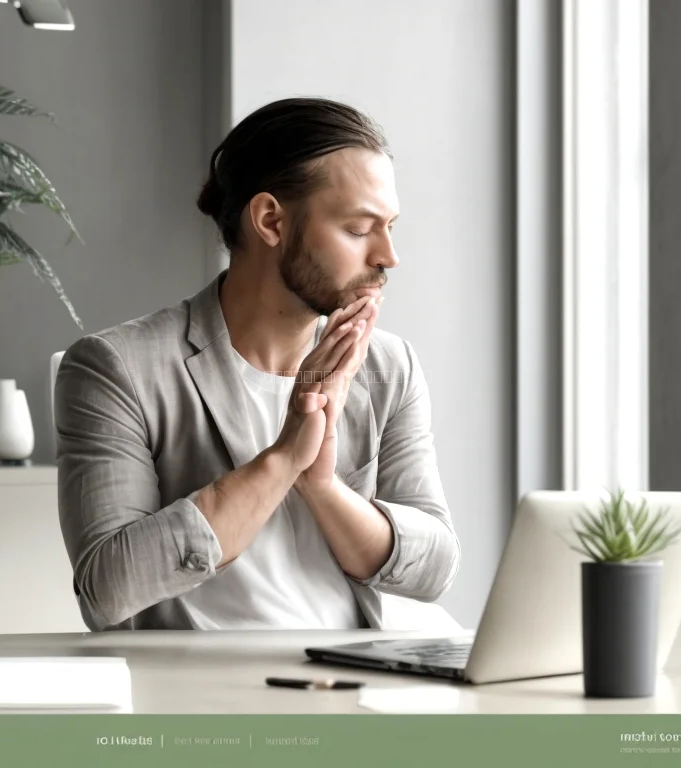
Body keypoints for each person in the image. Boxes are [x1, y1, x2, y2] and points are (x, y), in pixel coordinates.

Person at [55, 97, 460, 631]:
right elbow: (108, 590)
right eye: (360, 230)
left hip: (352, 683)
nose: (388, 255)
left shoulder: (389, 366)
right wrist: (285, 457)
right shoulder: (116, 368)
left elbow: (433, 569)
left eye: (390, 227)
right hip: (196, 696)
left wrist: (321, 485)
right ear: (270, 220)